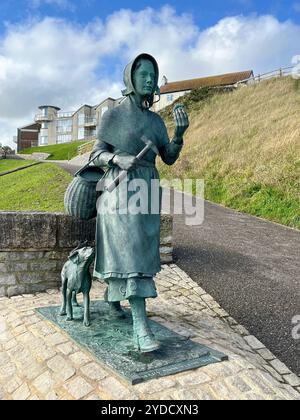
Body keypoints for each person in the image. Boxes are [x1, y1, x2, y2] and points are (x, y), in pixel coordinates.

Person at [90, 53, 189, 352]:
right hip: (119, 190)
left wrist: (179, 135)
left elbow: (168, 157)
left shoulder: (156, 122)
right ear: (130, 79)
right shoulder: (113, 115)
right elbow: (96, 154)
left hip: (147, 190)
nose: (149, 79)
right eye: (143, 74)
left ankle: (113, 300)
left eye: (153, 75)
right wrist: (117, 158)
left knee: (141, 249)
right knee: (131, 250)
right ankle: (140, 327)